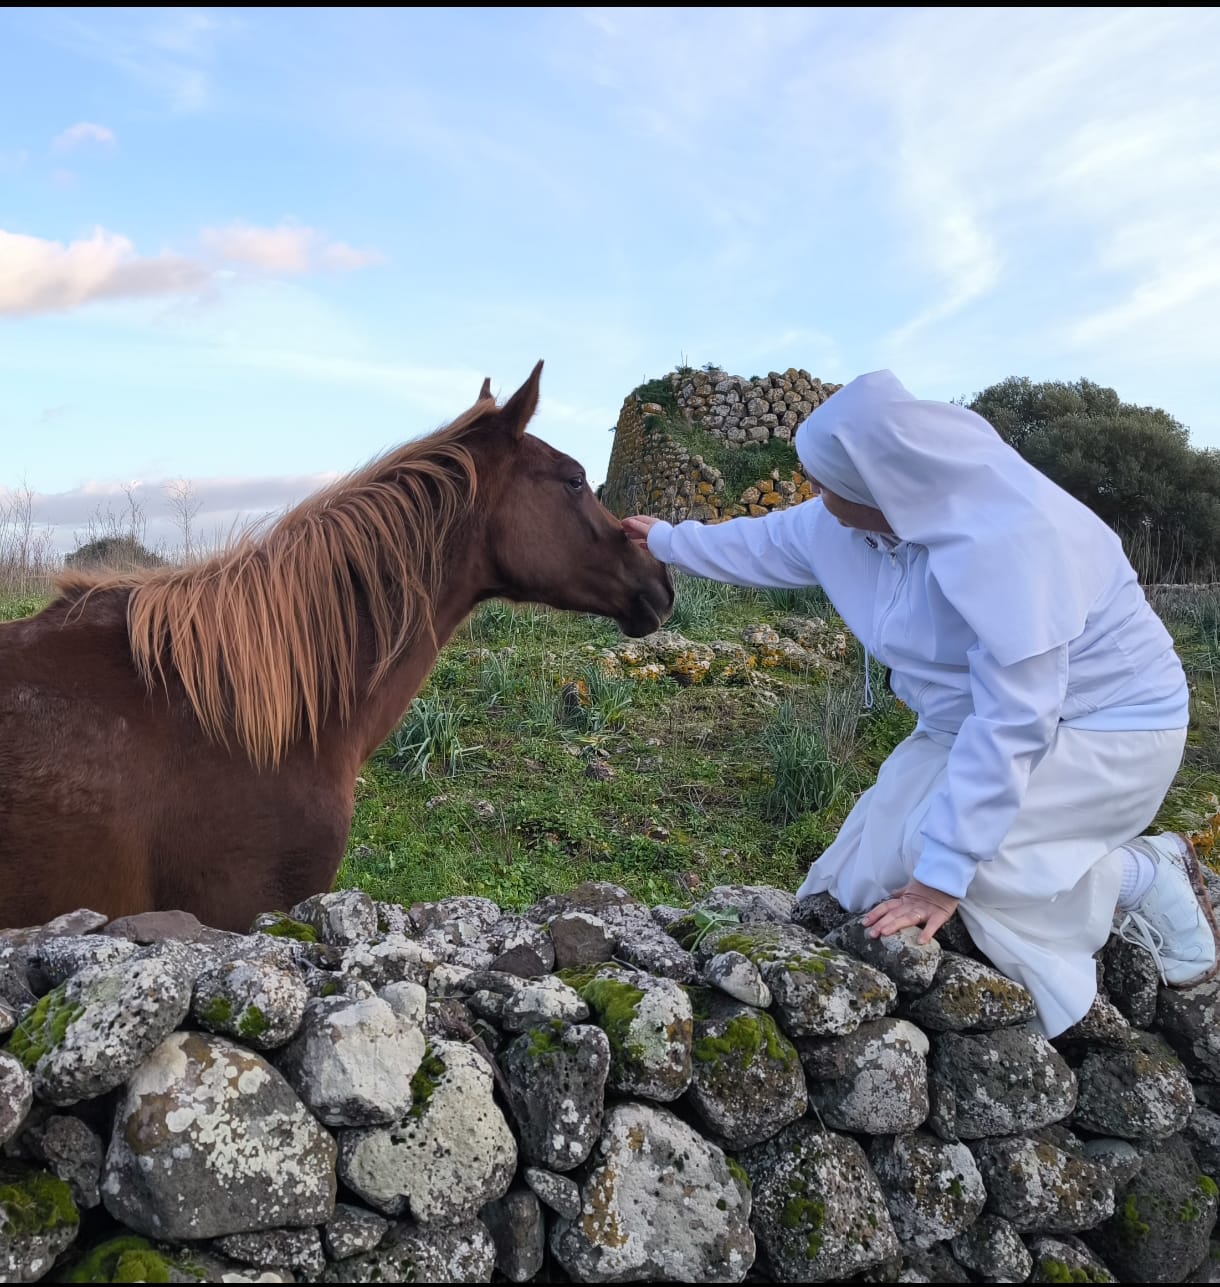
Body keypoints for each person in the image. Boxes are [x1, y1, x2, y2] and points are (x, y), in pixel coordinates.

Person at [623, 369, 1218, 1037]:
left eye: (826, 485)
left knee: (962, 866)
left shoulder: (1016, 541)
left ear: (883, 489)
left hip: (1111, 729)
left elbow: (1015, 718)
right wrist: (667, 540)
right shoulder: (848, 521)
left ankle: (1143, 873)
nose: (815, 496)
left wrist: (940, 881)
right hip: (962, 726)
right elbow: (764, 542)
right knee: (866, 874)